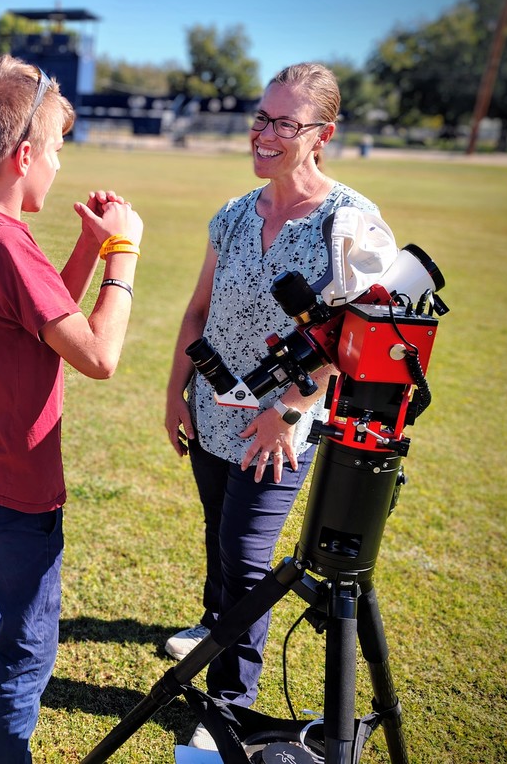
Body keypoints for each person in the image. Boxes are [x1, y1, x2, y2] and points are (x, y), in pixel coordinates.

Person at [0, 55, 145, 764]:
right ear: (24, 156)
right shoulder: (8, 246)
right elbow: (96, 356)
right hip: (21, 485)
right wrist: (123, 257)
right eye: (54, 150)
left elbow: (41, 318)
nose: (57, 163)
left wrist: (85, 244)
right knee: (28, 641)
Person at [162, 63, 381, 750]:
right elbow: (199, 310)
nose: (264, 132)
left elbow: (357, 337)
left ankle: (229, 701)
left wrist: (288, 407)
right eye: (261, 117)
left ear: (323, 134)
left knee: (247, 559)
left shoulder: (350, 222)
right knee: (216, 534)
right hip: (212, 410)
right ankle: (212, 624)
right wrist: (176, 389)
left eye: (285, 123)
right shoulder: (233, 213)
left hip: (282, 427)